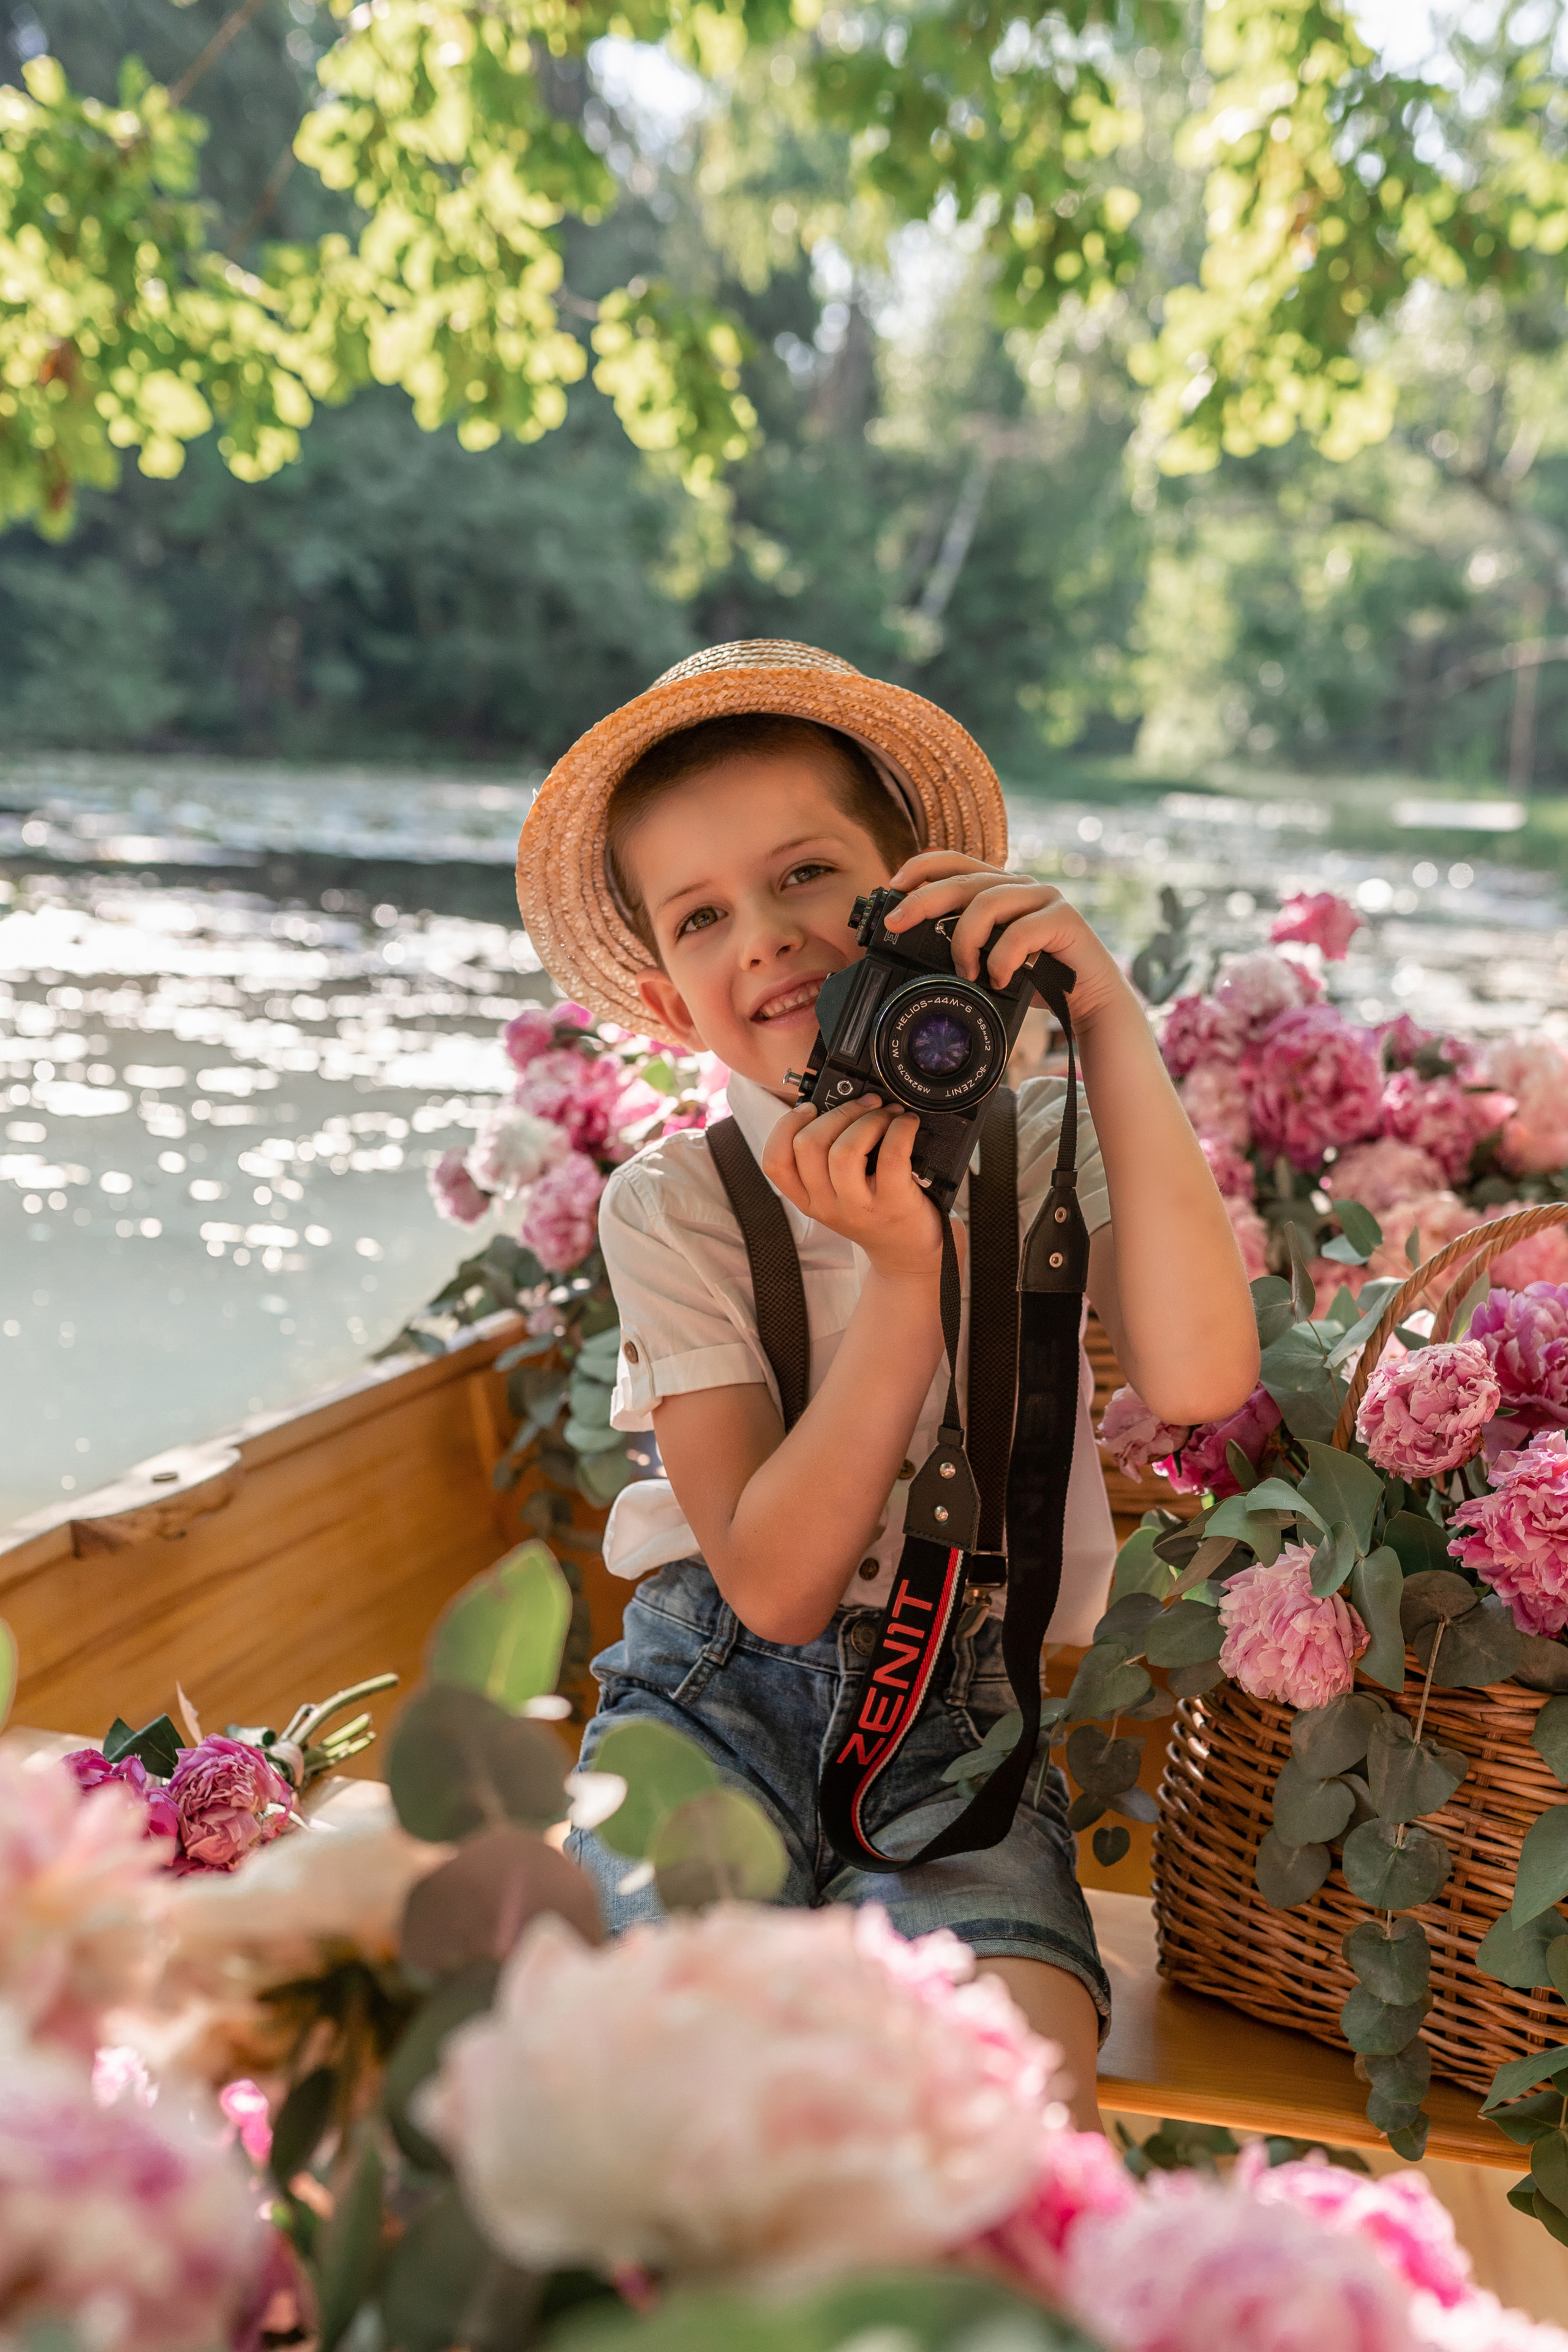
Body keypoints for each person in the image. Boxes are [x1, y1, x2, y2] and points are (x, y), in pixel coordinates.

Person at [515, 641, 1259, 2128]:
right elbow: (777, 1591)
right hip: (709, 1695)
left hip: (961, 1726)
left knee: (1008, 2093)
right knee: (676, 2069)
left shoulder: (1040, 1140)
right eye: (705, 914)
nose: (769, 937)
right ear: (671, 1002)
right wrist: (908, 1281)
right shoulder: (674, 1207)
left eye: (806, 875)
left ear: (914, 894)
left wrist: (1102, 1012)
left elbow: (1198, 1375)